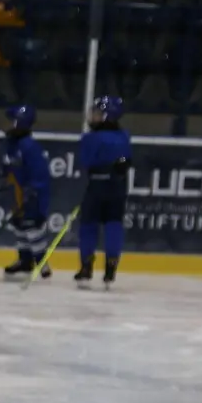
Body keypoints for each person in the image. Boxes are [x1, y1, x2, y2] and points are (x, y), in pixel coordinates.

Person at [77, 95, 132, 290]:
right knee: (113, 224)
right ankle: (111, 267)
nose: (93, 116)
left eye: (97, 113)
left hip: (97, 188)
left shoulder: (90, 138)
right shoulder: (124, 136)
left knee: (88, 226)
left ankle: (86, 266)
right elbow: (126, 161)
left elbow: (85, 162)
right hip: (117, 188)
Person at [3, 104, 53, 281]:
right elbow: (10, 168)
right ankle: (25, 261)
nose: (7, 124)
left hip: (31, 194)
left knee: (31, 225)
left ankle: (42, 262)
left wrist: (33, 190)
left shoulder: (29, 146)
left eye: (11, 121)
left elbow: (39, 172)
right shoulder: (12, 144)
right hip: (17, 193)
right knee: (19, 224)